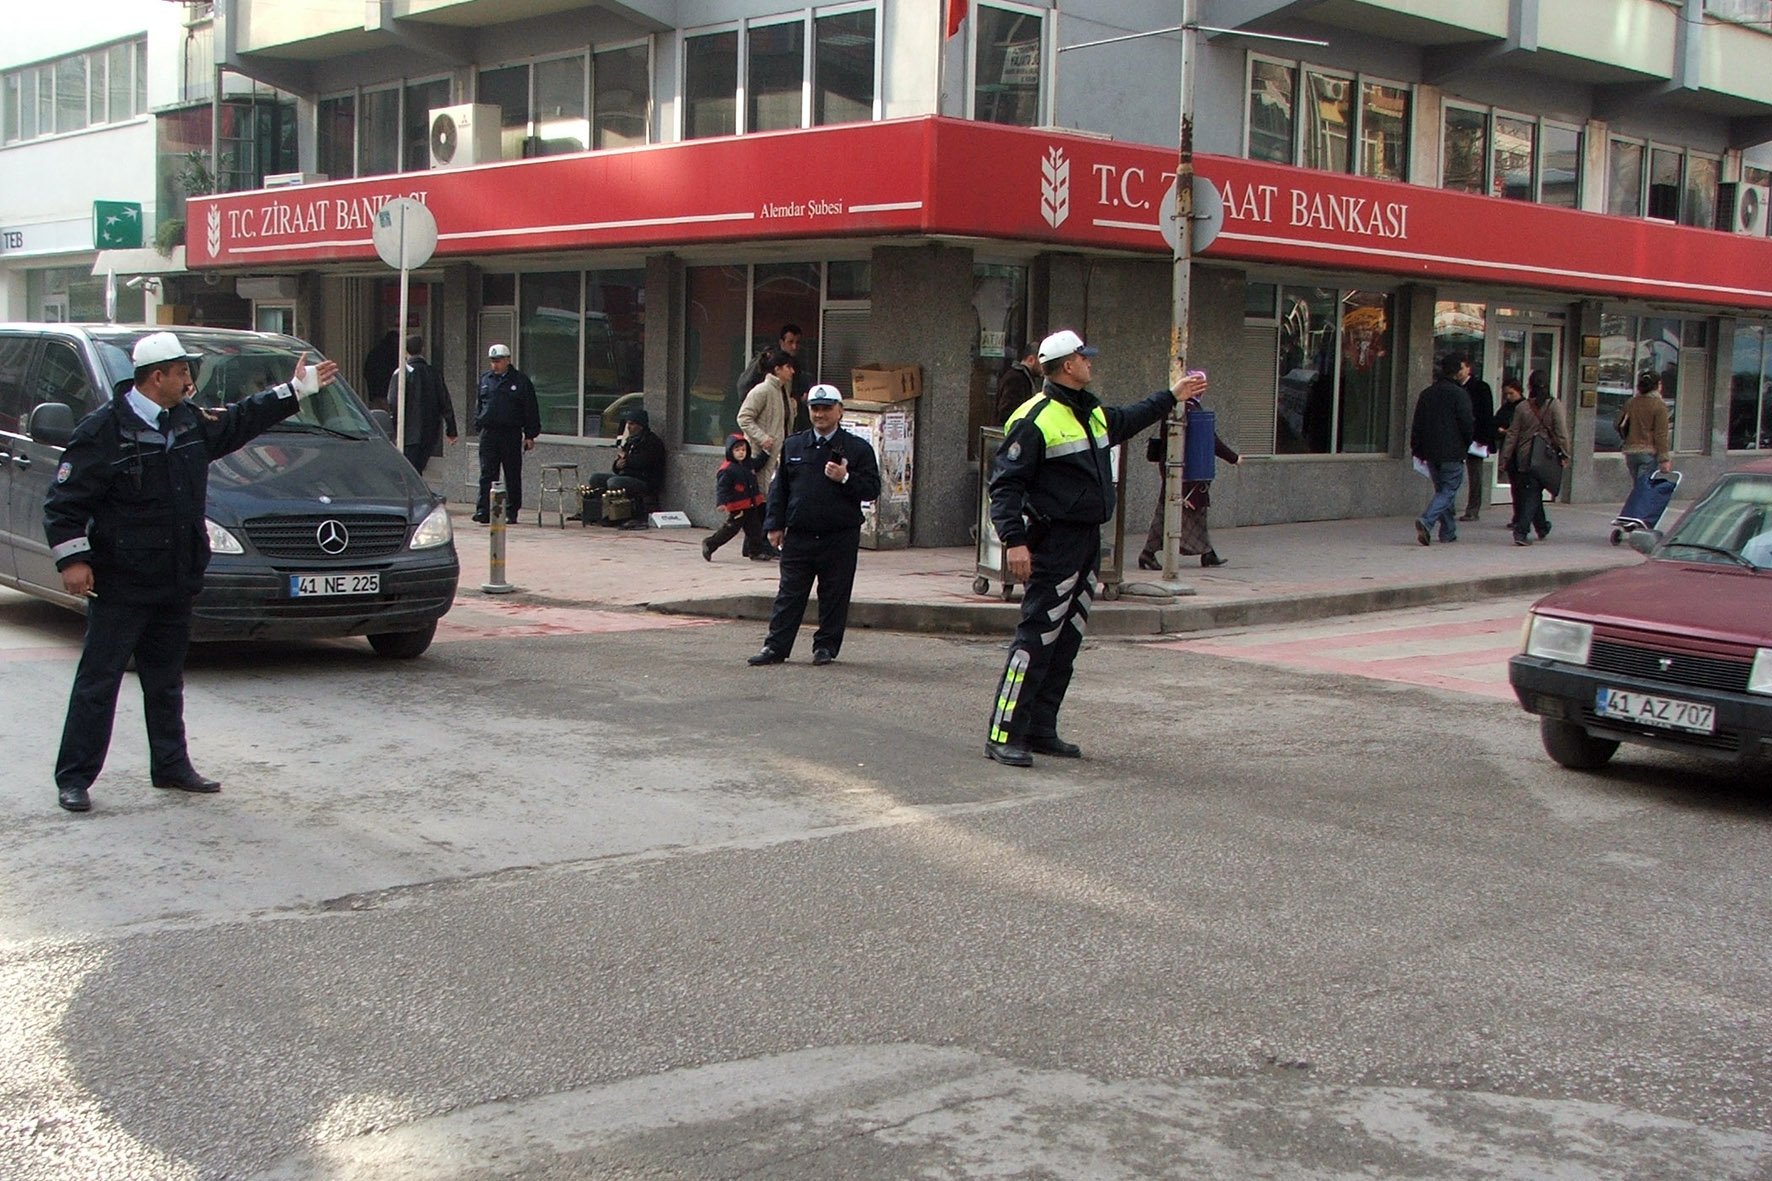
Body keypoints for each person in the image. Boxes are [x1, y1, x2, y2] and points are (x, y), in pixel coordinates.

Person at [44, 332, 340, 813]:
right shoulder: (103, 431)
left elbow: (239, 422)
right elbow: (65, 502)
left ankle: (171, 765)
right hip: (121, 580)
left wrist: (295, 391)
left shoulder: (188, 421)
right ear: (156, 376)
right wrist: (73, 560)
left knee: (165, 680)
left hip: (175, 575)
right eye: (183, 372)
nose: (189, 381)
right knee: (99, 681)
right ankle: (74, 778)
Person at [983, 330, 1208, 767]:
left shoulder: (1091, 412)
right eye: (1084, 356)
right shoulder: (1035, 417)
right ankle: (1003, 731)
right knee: (1036, 637)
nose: (1090, 362)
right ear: (1068, 364)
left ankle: (1041, 728)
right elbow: (1005, 486)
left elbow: (1129, 418)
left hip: (1086, 540)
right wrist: (1014, 541)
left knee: (1066, 639)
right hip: (1053, 541)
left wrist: (1172, 395)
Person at [746, 384, 882, 667]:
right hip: (800, 535)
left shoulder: (857, 449)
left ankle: (825, 647)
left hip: (839, 536)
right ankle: (776, 647)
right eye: (815, 409)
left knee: (834, 595)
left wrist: (845, 478)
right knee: (789, 594)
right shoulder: (795, 445)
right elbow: (779, 489)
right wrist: (774, 525)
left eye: (826, 408)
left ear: (840, 411)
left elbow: (871, 489)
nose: (820, 414)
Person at [1136, 400, 1239, 570]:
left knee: (1186, 512)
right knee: (1177, 511)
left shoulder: (1177, 406)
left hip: (1179, 467)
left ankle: (1208, 552)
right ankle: (1148, 553)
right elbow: (1209, 439)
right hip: (1186, 470)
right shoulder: (1186, 409)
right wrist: (1233, 458)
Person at [1497, 369, 1570, 547]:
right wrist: (1565, 454)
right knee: (1532, 493)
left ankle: (1542, 526)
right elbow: (1561, 433)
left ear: (1529, 386)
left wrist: (1505, 458)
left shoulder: (1522, 407)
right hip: (1545, 456)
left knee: (1532, 490)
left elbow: (1512, 434)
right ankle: (1521, 531)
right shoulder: (1554, 405)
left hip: (1524, 456)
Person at [1409, 353, 1476, 547]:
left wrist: (1417, 448)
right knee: (1448, 490)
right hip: (1452, 451)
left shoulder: (1427, 393)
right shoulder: (1459, 394)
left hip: (1430, 451)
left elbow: (1418, 423)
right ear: (1456, 372)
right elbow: (1466, 423)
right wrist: (1467, 443)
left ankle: (1448, 531)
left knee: (1443, 491)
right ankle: (1427, 520)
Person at [472, 343, 540, 524]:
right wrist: (478, 422)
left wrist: (530, 434)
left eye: (499, 361)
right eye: (493, 361)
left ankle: (511, 511)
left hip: (510, 433)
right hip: (489, 433)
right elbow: (479, 404)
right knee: (487, 473)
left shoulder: (520, 381)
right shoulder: (486, 379)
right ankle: (483, 510)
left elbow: (530, 408)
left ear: (508, 360)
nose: (495, 365)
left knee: (512, 474)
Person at [586, 406, 666, 530]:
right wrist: (617, 465)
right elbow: (620, 462)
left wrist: (627, 460)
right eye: (628, 423)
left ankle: (626, 513)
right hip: (627, 475)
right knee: (596, 478)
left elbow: (643, 462)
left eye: (632, 424)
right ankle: (603, 512)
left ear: (641, 425)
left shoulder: (652, 442)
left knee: (614, 482)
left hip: (644, 480)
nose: (629, 427)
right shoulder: (630, 441)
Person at [386, 333, 457, 474]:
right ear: (422, 349)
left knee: (408, 472)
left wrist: (393, 428)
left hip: (407, 434)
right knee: (418, 470)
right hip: (429, 433)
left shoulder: (400, 373)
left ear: (405, 351)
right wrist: (451, 430)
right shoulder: (434, 373)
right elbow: (445, 402)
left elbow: (392, 402)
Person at [702, 433, 770, 561]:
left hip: (751, 504)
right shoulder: (727, 469)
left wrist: (766, 452)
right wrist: (722, 502)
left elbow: (759, 463)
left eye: (743, 450)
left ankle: (755, 552)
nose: (741, 453)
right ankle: (710, 544)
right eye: (737, 450)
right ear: (730, 451)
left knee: (755, 530)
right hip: (737, 506)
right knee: (730, 530)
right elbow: (722, 488)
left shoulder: (748, 463)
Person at [737, 349, 797, 489]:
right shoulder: (762, 390)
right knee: (761, 492)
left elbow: (782, 422)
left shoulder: (783, 391)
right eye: (788, 367)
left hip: (779, 451)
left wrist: (792, 409)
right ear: (777, 369)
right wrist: (762, 438)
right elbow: (743, 418)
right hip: (761, 453)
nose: (792, 371)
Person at [735, 323, 813, 431]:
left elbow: (796, 388)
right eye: (790, 342)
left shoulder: (797, 364)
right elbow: (745, 386)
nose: (794, 347)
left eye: (797, 342)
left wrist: (796, 399)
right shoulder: (766, 361)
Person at [1619, 369, 1673, 486]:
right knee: (1643, 488)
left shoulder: (1631, 402)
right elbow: (1661, 434)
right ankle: (1638, 504)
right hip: (1648, 451)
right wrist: (1664, 459)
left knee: (1637, 485)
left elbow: (1618, 424)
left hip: (1631, 451)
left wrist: (1628, 437)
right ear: (1658, 385)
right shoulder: (1659, 405)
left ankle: (1635, 503)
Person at [1460, 360, 1496, 522]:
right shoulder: (1453, 387)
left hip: (1475, 439)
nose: (1459, 372)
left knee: (1475, 475)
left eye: (1462, 368)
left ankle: (1473, 508)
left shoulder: (1481, 388)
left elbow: (1486, 414)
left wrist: (1483, 438)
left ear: (1468, 368)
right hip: (1457, 437)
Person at [993, 343, 1041, 426]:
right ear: (1031, 360)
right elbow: (1006, 412)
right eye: (1041, 362)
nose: (1043, 367)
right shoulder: (1016, 379)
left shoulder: (1022, 377)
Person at [362, 329, 399, 413]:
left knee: (377, 415)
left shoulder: (375, 353)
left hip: (375, 392)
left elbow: (367, 371)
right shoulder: (394, 355)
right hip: (388, 391)